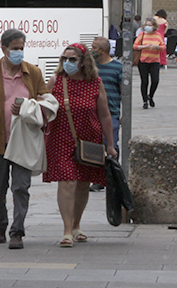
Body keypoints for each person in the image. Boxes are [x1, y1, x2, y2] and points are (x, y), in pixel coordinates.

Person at [0, 28, 49, 250]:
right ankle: (0, 225)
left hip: (23, 140)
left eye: (22, 48)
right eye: (15, 48)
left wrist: (29, 106)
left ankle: (17, 231)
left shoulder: (33, 73)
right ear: (4, 48)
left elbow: (44, 99)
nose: (19, 52)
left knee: (21, 186)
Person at [43, 43, 117, 248]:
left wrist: (110, 144)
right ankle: (66, 230)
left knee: (83, 182)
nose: (68, 63)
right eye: (64, 59)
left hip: (88, 139)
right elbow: (44, 109)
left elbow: (104, 114)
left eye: (73, 59)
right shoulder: (56, 81)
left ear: (84, 62)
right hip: (61, 138)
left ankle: (76, 225)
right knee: (67, 182)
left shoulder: (95, 83)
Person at [90, 35, 123, 191]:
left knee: (111, 144)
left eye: (94, 48)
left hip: (112, 112)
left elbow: (123, 91)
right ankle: (99, 178)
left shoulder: (117, 67)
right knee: (96, 146)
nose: (92, 50)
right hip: (93, 113)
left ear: (103, 50)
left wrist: (124, 114)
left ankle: (112, 176)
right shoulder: (91, 67)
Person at [132, 17, 165, 108]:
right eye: (146, 25)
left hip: (155, 61)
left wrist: (156, 47)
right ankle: (144, 101)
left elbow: (163, 46)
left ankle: (151, 96)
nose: (148, 27)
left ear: (154, 26)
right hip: (143, 61)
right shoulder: (142, 35)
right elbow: (135, 46)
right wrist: (144, 46)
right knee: (144, 81)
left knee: (155, 80)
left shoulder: (158, 35)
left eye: (150, 25)